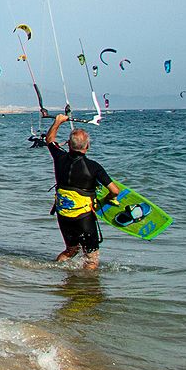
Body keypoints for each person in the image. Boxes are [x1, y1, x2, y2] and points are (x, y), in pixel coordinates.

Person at [39, 110, 121, 269]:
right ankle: (88, 290)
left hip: (63, 214)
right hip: (84, 218)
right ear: (88, 146)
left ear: (68, 144)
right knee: (91, 259)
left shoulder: (59, 158)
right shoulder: (94, 167)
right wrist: (106, 199)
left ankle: (56, 272)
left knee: (71, 250)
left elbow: (49, 140)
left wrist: (57, 122)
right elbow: (115, 191)